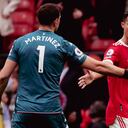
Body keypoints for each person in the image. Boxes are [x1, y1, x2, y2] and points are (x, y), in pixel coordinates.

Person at [0, 3, 128, 128]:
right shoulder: (63, 44)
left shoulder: (19, 43)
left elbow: (3, 76)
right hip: (50, 111)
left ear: (38, 20)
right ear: (57, 21)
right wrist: (124, 72)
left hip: (24, 110)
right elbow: (98, 66)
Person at [78, 12, 128, 128]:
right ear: (122, 24)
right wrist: (95, 75)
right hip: (122, 112)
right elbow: (106, 65)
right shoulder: (115, 49)